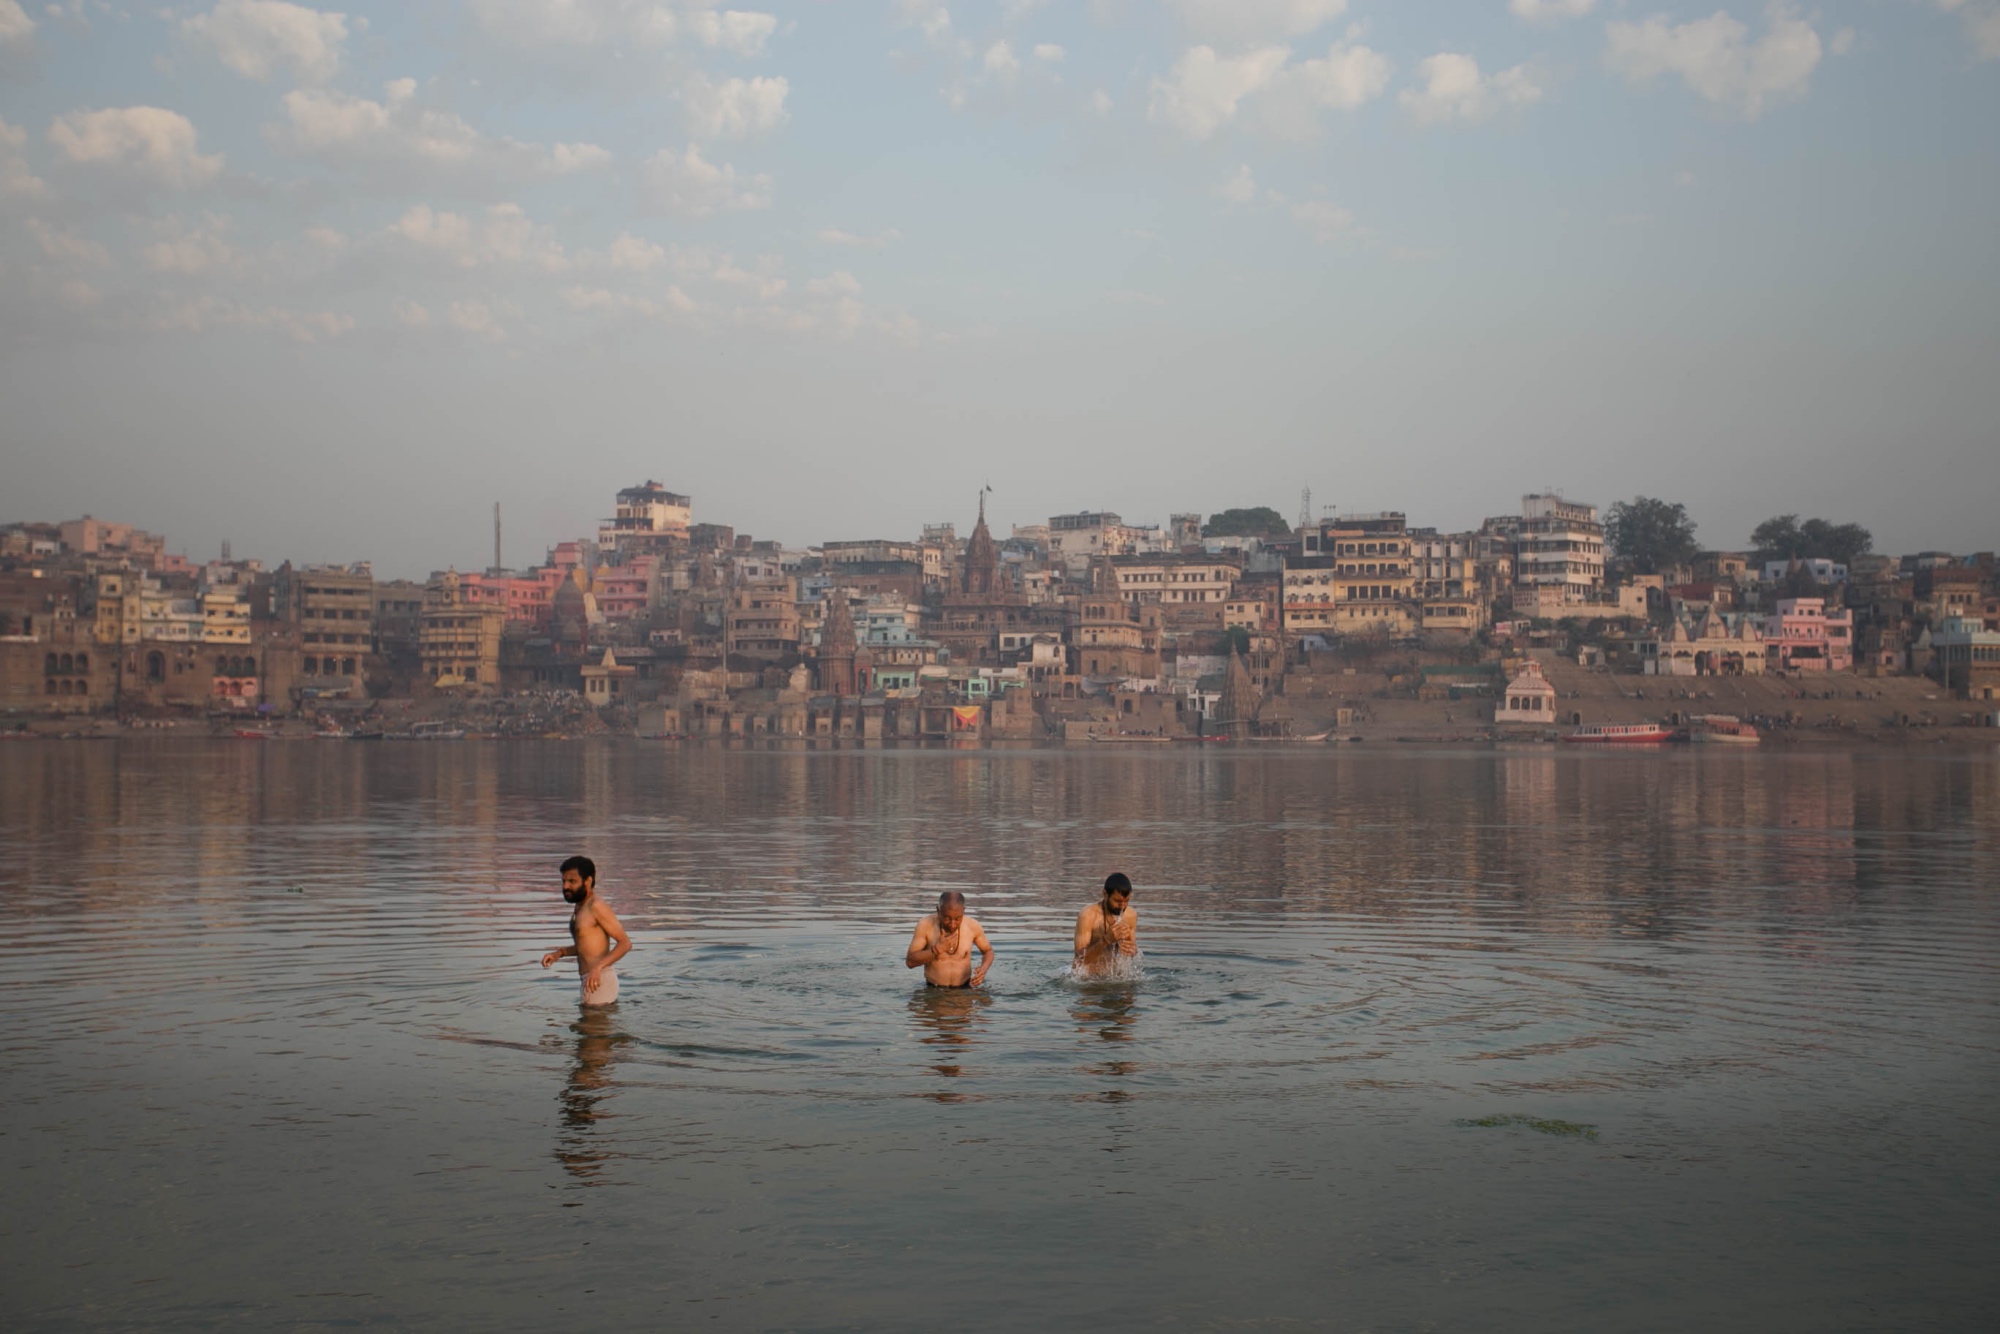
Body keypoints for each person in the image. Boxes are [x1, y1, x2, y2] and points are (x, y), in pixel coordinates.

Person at [539, 855, 631, 1006]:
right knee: (587, 1028)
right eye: (564, 881)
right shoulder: (580, 906)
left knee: (593, 1028)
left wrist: (598, 968)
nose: (565, 887)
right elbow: (586, 946)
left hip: (599, 980)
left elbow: (625, 943)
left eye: (572, 881)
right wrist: (559, 953)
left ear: (587, 881)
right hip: (590, 980)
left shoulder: (596, 906)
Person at [905, 891, 994, 989]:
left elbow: (988, 951)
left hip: (964, 989)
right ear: (938, 910)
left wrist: (983, 969)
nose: (952, 924)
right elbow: (910, 962)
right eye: (947, 918)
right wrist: (936, 950)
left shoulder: (973, 926)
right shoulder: (925, 926)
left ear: (963, 911)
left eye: (957, 919)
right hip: (934, 991)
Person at [1073, 873, 1138, 976]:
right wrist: (1106, 940)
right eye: (1117, 901)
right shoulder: (1087, 915)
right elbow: (1080, 960)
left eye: (1126, 901)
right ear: (1105, 894)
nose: (1122, 906)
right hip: (1088, 980)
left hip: (1115, 978)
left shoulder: (1131, 915)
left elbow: (1132, 950)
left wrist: (1132, 950)